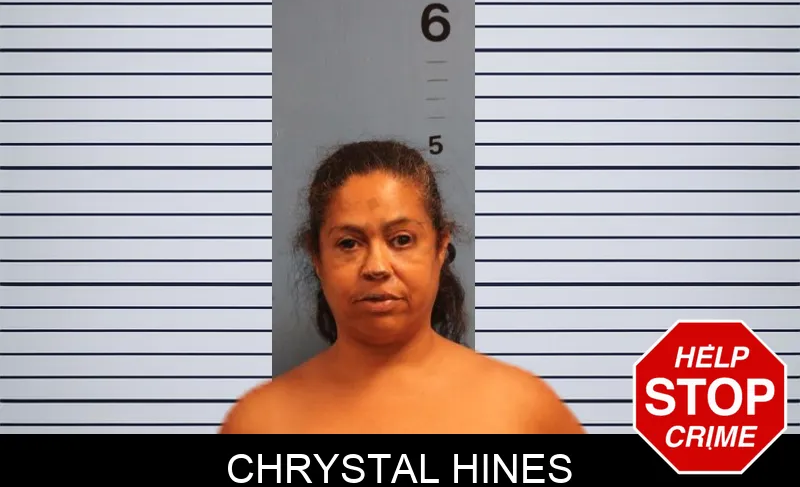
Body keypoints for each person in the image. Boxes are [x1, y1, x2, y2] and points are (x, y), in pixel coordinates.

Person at [220, 139, 585, 434]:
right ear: (317, 258)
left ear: (440, 247)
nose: (377, 267)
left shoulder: (524, 409)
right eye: (349, 243)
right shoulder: (260, 421)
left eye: (402, 240)